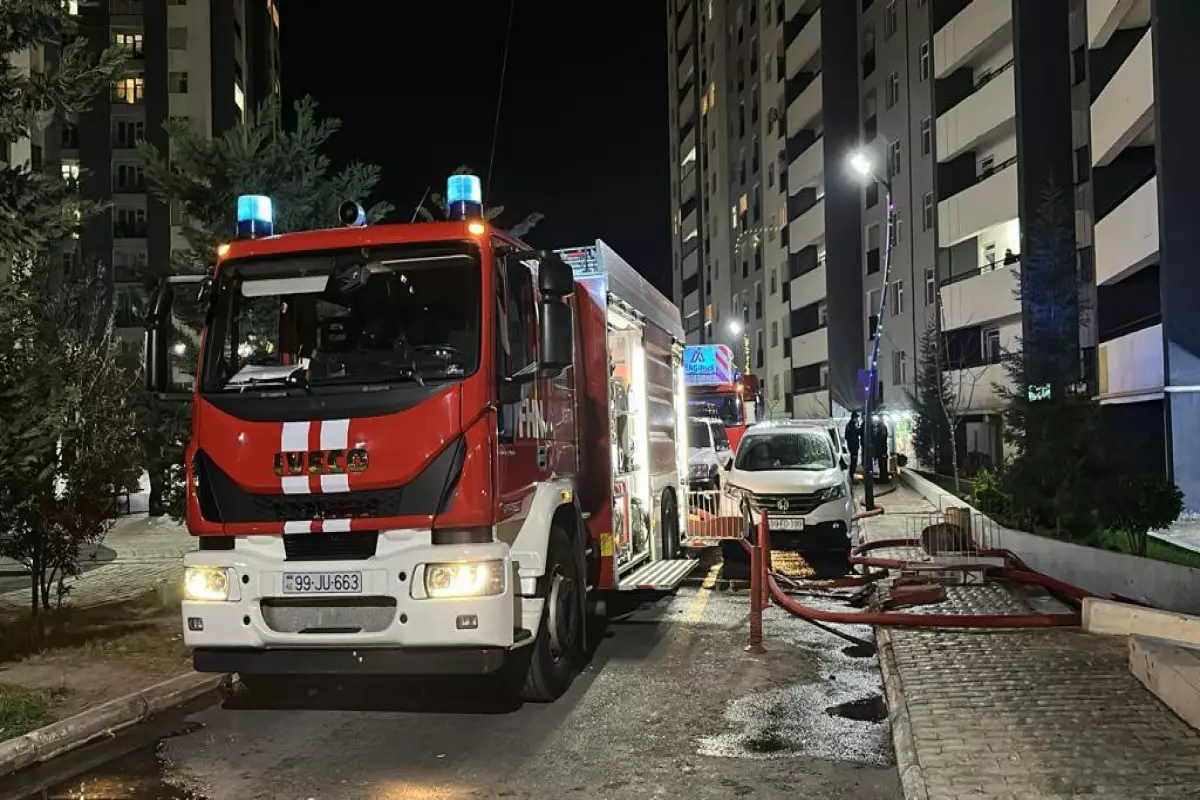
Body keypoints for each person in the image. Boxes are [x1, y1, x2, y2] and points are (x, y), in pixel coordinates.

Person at [844, 412, 861, 479]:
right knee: (853, 463)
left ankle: (852, 476)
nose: (857, 419)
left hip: (852, 447)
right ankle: (851, 477)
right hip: (853, 447)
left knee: (853, 462)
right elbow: (852, 436)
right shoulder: (851, 426)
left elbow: (846, 436)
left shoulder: (850, 425)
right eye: (857, 418)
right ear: (854, 418)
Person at [872, 417, 889, 482]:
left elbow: (880, 438)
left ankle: (884, 478)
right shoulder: (881, 427)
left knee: (883, 465)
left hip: (882, 450)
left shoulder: (882, 428)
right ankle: (883, 478)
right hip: (881, 449)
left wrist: (874, 436)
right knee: (881, 465)